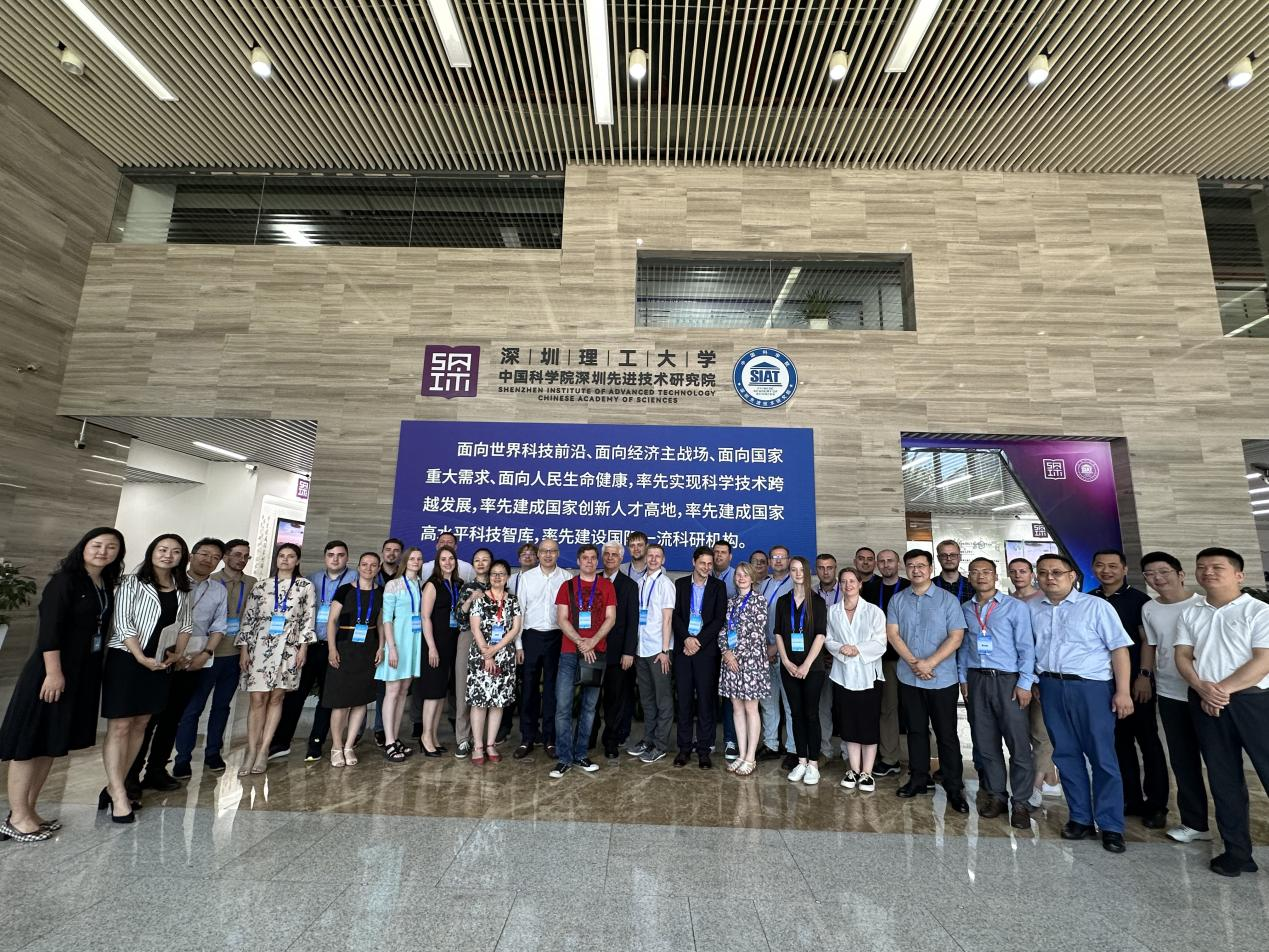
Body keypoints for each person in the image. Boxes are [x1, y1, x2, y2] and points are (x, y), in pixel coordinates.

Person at [0, 528, 124, 842]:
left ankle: (29, 810)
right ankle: (16, 817)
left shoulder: (103, 583)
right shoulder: (65, 581)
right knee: (29, 744)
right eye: (97, 545)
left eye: (111, 547)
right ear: (83, 547)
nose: (103, 551)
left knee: (49, 744)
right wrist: (53, 673)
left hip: (80, 673)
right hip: (51, 672)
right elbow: (49, 632)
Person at [1030, 552, 1134, 853]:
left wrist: (1123, 691)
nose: (1049, 578)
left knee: (1102, 756)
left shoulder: (1095, 606)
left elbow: (1119, 650)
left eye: (1056, 572)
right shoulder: (1035, 610)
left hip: (1091, 688)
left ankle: (1111, 824)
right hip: (1050, 686)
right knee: (1065, 754)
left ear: (1072, 576)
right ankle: (1080, 818)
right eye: (1043, 572)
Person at [1175, 547, 1269, 877]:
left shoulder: (1259, 611)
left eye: (1217, 567)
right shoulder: (1191, 613)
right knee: (1223, 778)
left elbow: (1263, 660)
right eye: (1201, 567)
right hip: (1205, 701)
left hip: (1253, 702)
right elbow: (1183, 656)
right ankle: (1237, 853)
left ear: (1238, 575)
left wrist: (1220, 691)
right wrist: (1202, 688)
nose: (1208, 572)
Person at [99, 534, 194, 822]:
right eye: (162, 549)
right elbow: (122, 622)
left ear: (182, 557)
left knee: (141, 724)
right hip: (127, 660)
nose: (168, 555)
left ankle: (116, 784)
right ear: (152, 552)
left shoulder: (182, 588)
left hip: (161, 662)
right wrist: (140, 656)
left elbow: (185, 625)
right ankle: (118, 792)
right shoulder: (131, 582)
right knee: (120, 725)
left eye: (175, 551)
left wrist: (177, 654)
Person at [134, 537, 227, 788]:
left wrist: (205, 654)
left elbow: (218, 626)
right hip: (158, 658)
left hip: (192, 661)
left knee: (173, 717)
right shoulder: (169, 581)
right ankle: (131, 775)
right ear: (191, 555)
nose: (208, 560)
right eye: (204, 554)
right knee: (146, 719)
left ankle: (156, 770)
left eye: (215, 558)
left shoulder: (218, 590)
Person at [886, 549, 969, 812]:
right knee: (916, 731)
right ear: (906, 569)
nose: (916, 570)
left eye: (921, 565)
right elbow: (893, 634)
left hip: (941, 679)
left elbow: (956, 636)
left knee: (947, 734)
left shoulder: (948, 600)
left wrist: (929, 663)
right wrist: (915, 663)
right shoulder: (898, 600)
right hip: (909, 678)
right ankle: (919, 779)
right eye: (911, 565)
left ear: (930, 568)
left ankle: (954, 786)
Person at [1091, 548, 1168, 829]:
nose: (1106, 570)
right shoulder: (1090, 599)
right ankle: (1130, 798)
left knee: (1148, 742)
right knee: (1119, 743)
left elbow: (1147, 641)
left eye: (1113, 566)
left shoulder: (1139, 601)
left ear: (1124, 569)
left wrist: (1144, 675)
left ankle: (1157, 804)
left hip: (1136, 682)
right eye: (1100, 565)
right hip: (1104, 683)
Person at [958, 558, 1036, 829]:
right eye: (975, 572)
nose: (981, 576)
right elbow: (964, 647)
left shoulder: (1015, 607)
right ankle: (997, 795)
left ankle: (1021, 802)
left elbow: (1026, 647)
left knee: (1018, 744)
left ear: (995, 575)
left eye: (986, 572)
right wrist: (962, 678)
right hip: (976, 679)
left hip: (1008, 681)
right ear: (969, 577)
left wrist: (1025, 683)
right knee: (985, 743)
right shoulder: (965, 609)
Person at [1139, 551, 1208, 843]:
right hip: (1169, 692)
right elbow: (1150, 644)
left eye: (1164, 571)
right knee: (1182, 759)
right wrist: (1144, 675)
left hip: (1205, 691)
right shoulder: (1149, 608)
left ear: (1181, 574)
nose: (1157, 578)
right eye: (1150, 574)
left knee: (1219, 761)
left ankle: (1233, 825)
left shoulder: (1203, 605)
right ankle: (1195, 823)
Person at [235, 543, 316, 777]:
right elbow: (248, 618)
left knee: (277, 697)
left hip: (289, 646)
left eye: (291, 556)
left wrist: (303, 648)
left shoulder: (305, 586)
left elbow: (308, 619)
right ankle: (251, 750)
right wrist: (244, 649)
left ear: (297, 561)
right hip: (260, 645)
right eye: (282, 556)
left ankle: (264, 750)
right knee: (257, 699)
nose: (285, 560)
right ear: (276, 559)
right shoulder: (261, 586)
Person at [176, 539, 254, 773]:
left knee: (222, 707)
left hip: (234, 653)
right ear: (226, 557)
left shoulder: (252, 584)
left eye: (246, 556)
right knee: (193, 707)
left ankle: (213, 753)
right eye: (237, 554)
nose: (241, 559)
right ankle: (182, 758)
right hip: (205, 654)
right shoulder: (211, 582)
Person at [272, 540, 351, 762]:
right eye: (331, 554)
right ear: (325, 557)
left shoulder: (354, 579)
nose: (335, 559)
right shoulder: (311, 580)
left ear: (347, 558)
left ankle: (316, 742)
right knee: (295, 694)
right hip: (309, 646)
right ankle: (281, 741)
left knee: (327, 697)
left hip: (337, 647)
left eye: (340, 555)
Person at [550, 545, 616, 777]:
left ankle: (580, 755)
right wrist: (581, 642)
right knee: (563, 707)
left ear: (597, 561)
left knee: (589, 708)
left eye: (593, 558)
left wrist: (593, 642)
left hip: (596, 653)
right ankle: (564, 758)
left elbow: (610, 618)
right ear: (578, 561)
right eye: (585, 558)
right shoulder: (567, 586)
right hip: (569, 652)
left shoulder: (606, 586)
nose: (589, 561)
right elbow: (561, 619)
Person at [824, 567, 886, 792]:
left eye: (852, 581)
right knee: (848, 724)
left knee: (868, 724)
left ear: (860, 584)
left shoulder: (874, 611)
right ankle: (853, 769)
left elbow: (880, 642)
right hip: (843, 675)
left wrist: (857, 649)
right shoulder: (832, 611)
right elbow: (828, 638)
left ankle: (867, 773)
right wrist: (841, 648)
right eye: (843, 581)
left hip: (869, 675)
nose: (848, 585)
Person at [322, 552, 384, 768]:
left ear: (378, 568)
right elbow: (332, 621)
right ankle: (336, 746)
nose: (368, 568)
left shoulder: (381, 592)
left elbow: (381, 622)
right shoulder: (345, 590)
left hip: (368, 649)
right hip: (344, 648)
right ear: (358, 566)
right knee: (340, 702)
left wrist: (381, 647)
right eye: (364, 564)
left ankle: (349, 745)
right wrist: (332, 649)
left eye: (373, 565)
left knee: (360, 700)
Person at [1007, 557, 1059, 805]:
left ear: (1032, 574)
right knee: (1021, 731)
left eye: (1023, 571)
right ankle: (1045, 773)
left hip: (1040, 674)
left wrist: (1035, 678)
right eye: (1013, 571)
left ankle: (1036, 785)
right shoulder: (1006, 602)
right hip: (1014, 674)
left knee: (1040, 731)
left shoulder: (1043, 600)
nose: (1018, 575)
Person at [512, 538, 570, 759]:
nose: (547, 555)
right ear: (538, 554)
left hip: (557, 637)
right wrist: (518, 645)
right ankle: (527, 737)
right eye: (544, 551)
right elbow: (520, 612)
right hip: (531, 637)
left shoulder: (566, 578)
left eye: (552, 551)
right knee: (528, 689)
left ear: (558, 554)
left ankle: (550, 739)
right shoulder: (527, 578)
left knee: (552, 690)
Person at [774, 557, 828, 784]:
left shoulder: (817, 601)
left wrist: (806, 665)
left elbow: (821, 635)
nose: (798, 574)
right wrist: (786, 661)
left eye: (801, 570)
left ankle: (813, 764)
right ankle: (802, 761)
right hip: (789, 667)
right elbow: (778, 632)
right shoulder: (783, 601)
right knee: (795, 715)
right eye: (793, 570)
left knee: (811, 714)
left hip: (812, 668)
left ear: (807, 573)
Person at [672, 546, 727, 769]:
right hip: (684, 651)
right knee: (684, 701)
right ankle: (684, 749)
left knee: (706, 702)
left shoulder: (718, 587)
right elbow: (675, 615)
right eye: (702, 563)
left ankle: (704, 750)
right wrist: (686, 639)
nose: (706, 567)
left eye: (710, 564)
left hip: (706, 653)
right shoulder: (680, 584)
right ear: (694, 562)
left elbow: (718, 619)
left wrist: (698, 641)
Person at [466, 559, 522, 765]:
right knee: (480, 701)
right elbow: (475, 628)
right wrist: (487, 654)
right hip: (481, 655)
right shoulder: (480, 599)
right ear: (489, 577)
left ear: (507, 577)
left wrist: (496, 650)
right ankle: (478, 746)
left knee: (498, 702)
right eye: (494, 574)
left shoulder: (513, 600)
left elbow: (515, 629)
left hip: (504, 655)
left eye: (501, 574)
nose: (497, 577)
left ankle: (490, 744)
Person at [626, 543, 677, 764]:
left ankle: (660, 745)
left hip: (658, 651)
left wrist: (665, 650)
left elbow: (668, 619)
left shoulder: (666, 584)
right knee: (646, 699)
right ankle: (648, 739)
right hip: (641, 649)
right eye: (651, 556)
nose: (654, 559)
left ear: (663, 560)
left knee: (662, 699)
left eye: (658, 556)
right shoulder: (639, 583)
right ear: (645, 558)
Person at [718, 562, 770, 777]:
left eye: (745, 575)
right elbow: (723, 630)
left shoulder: (759, 600)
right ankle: (741, 754)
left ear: (752, 578)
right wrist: (726, 652)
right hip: (731, 662)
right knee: (736, 708)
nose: (741, 578)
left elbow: (756, 634)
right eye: (738, 574)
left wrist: (736, 655)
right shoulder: (731, 602)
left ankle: (750, 757)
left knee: (751, 708)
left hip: (751, 662)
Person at [861, 549, 909, 778]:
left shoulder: (909, 587)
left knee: (918, 709)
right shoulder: (870, 589)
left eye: (890, 560)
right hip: (883, 659)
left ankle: (922, 762)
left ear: (898, 563)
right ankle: (890, 758)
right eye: (882, 561)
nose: (886, 564)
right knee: (887, 709)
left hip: (912, 659)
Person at [378, 546, 424, 763]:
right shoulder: (393, 585)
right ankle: (388, 741)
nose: (416, 561)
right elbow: (387, 619)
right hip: (397, 641)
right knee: (392, 691)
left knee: (404, 691)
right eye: (412, 558)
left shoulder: (421, 584)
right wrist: (391, 647)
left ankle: (395, 738)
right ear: (405, 561)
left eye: (419, 558)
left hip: (414, 641)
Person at [417, 546, 463, 757]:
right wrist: (432, 647)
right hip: (434, 645)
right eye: (443, 559)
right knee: (432, 692)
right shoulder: (432, 584)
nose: (447, 562)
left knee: (440, 694)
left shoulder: (458, 584)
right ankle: (425, 737)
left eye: (451, 558)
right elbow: (425, 617)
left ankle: (433, 736)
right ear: (438, 562)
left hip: (452, 644)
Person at [597, 542, 638, 759]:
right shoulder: (593, 580)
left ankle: (611, 741)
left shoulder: (629, 585)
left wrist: (628, 652)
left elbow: (632, 622)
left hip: (618, 652)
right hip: (593, 650)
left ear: (621, 559)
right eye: (607, 554)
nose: (610, 558)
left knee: (614, 700)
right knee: (592, 698)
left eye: (614, 555)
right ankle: (588, 737)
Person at [451, 548, 493, 758]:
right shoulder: (467, 587)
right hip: (468, 638)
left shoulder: (498, 585)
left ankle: (484, 739)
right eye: (477, 560)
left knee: (487, 689)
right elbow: (459, 617)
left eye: (485, 560)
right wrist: (470, 600)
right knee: (463, 688)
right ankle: (462, 739)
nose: (481, 563)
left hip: (492, 641)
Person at [758, 545, 794, 765]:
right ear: (770, 561)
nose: (778, 560)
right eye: (775, 557)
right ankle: (771, 744)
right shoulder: (763, 584)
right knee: (768, 702)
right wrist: (764, 647)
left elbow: (794, 623)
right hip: (764, 653)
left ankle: (793, 748)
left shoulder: (795, 584)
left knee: (790, 703)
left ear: (789, 560)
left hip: (787, 654)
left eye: (782, 557)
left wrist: (775, 648)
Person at [813, 553, 841, 762]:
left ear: (835, 568)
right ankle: (825, 750)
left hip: (843, 658)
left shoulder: (847, 590)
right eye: (821, 568)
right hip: (819, 659)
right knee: (823, 706)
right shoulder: (811, 593)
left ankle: (849, 753)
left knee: (847, 707)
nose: (825, 571)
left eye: (829, 567)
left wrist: (835, 652)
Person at [933, 539, 972, 603]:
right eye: (944, 555)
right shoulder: (930, 585)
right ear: (938, 558)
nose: (949, 559)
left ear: (960, 557)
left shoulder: (972, 586)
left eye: (953, 555)